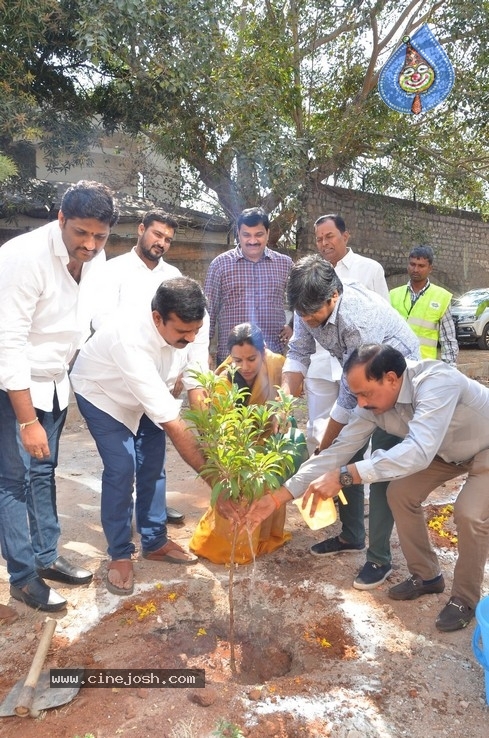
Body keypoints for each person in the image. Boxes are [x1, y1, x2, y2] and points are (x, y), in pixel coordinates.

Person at [247, 343, 489, 632]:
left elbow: (418, 451)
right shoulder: (372, 408)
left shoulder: (437, 381)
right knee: (398, 494)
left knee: (470, 513)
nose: (360, 402)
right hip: (445, 452)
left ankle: (464, 599)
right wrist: (278, 497)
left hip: (484, 447)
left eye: (365, 393)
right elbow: (338, 452)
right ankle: (427, 576)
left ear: (391, 378)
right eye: (357, 394)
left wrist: (347, 475)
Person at [0, 180, 118, 613]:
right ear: (61, 219)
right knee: (11, 481)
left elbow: (94, 319)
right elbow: (8, 343)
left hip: (54, 380)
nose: (89, 245)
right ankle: (23, 577)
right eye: (81, 233)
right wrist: (27, 421)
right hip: (11, 384)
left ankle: (46, 556)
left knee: (44, 472)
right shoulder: (23, 258)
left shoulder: (96, 256)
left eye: (99, 236)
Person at [281, 255, 420, 589]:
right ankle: (352, 536)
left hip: (394, 385)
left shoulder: (359, 320)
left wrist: (325, 447)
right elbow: (299, 351)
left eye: (312, 315)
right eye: (301, 314)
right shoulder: (307, 303)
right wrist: (284, 400)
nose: (307, 321)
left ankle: (379, 558)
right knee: (346, 458)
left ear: (334, 297)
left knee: (382, 467)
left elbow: (349, 396)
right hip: (359, 381)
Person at [70, 277, 210, 596]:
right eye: (182, 333)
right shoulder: (129, 337)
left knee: (152, 463)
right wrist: (215, 480)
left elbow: (195, 378)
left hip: (150, 389)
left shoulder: (195, 318)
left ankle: (155, 540)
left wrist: (211, 442)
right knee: (123, 467)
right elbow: (175, 423)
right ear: (158, 318)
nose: (190, 338)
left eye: (195, 331)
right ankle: (119, 553)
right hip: (103, 392)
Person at [91, 209, 210, 525]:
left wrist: (182, 374)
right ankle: (122, 536)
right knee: (122, 464)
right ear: (141, 230)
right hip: (120, 375)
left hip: (159, 379)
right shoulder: (112, 271)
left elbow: (192, 341)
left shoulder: (174, 278)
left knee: (153, 460)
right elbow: (102, 322)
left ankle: (151, 515)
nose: (162, 242)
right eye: (157, 234)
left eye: (168, 239)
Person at [189, 323, 292, 564]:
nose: (244, 366)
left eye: (251, 359)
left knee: (269, 491)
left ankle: (266, 538)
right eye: (237, 360)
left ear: (263, 351)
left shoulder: (278, 365)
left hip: (269, 445)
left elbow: (289, 399)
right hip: (237, 447)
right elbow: (218, 428)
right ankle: (234, 546)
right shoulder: (224, 379)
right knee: (236, 497)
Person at [306, 214, 389, 451]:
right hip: (321, 363)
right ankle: (320, 482)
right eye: (319, 238)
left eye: (329, 236)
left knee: (357, 432)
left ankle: (349, 482)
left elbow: (383, 315)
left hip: (358, 366)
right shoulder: (312, 273)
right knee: (316, 430)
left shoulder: (370, 269)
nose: (324, 243)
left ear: (345, 235)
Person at [204, 207, 293, 366]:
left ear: (267, 232)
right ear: (238, 233)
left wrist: (293, 325)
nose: (252, 241)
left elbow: (302, 300)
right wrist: (203, 350)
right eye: (246, 235)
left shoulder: (285, 264)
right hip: (231, 359)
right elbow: (208, 312)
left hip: (272, 358)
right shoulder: (220, 265)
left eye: (258, 234)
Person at [390, 245, 458, 365]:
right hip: (395, 365)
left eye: (421, 266)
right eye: (412, 264)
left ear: (430, 268)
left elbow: (448, 340)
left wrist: (449, 370)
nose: (415, 269)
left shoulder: (441, 297)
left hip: (424, 366)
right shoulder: (393, 295)